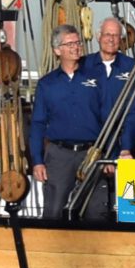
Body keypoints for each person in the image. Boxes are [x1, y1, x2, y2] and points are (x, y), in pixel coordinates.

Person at [30, 24, 103, 221]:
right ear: (57, 50)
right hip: (59, 155)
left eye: (78, 43)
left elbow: (107, 117)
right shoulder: (47, 84)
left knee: (95, 211)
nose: (76, 47)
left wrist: (110, 155)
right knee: (54, 209)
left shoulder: (96, 79)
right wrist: (37, 161)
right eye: (70, 44)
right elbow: (38, 124)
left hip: (91, 153)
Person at [81, 15, 135, 88]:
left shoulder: (133, 67)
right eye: (107, 34)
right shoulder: (82, 65)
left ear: (120, 39)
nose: (111, 39)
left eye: (115, 35)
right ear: (99, 37)